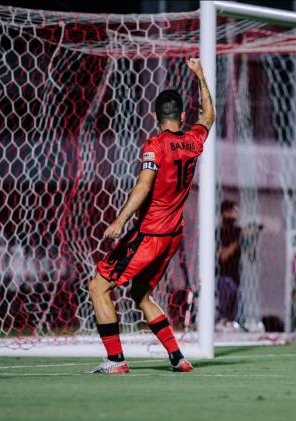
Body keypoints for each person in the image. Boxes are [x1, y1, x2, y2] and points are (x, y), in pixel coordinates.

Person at [88, 58, 215, 374]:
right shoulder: (193, 141)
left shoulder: (155, 145)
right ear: (183, 116)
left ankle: (116, 361)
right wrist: (200, 75)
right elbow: (210, 115)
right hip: (172, 236)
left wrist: (119, 221)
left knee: (98, 288)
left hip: (149, 234)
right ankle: (177, 358)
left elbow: (144, 186)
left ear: (155, 116)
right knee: (141, 294)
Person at [216, 199, 242, 331]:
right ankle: (219, 322)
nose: (233, 215)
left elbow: (252, 256)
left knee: (235, 312)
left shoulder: (238, 231)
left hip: (237, 277)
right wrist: (238, 241)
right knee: (224, 305)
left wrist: (251, 241)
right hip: (223, 276)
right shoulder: (218, 233)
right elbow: (223, 256)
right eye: (230, 212)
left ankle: (229, 322)